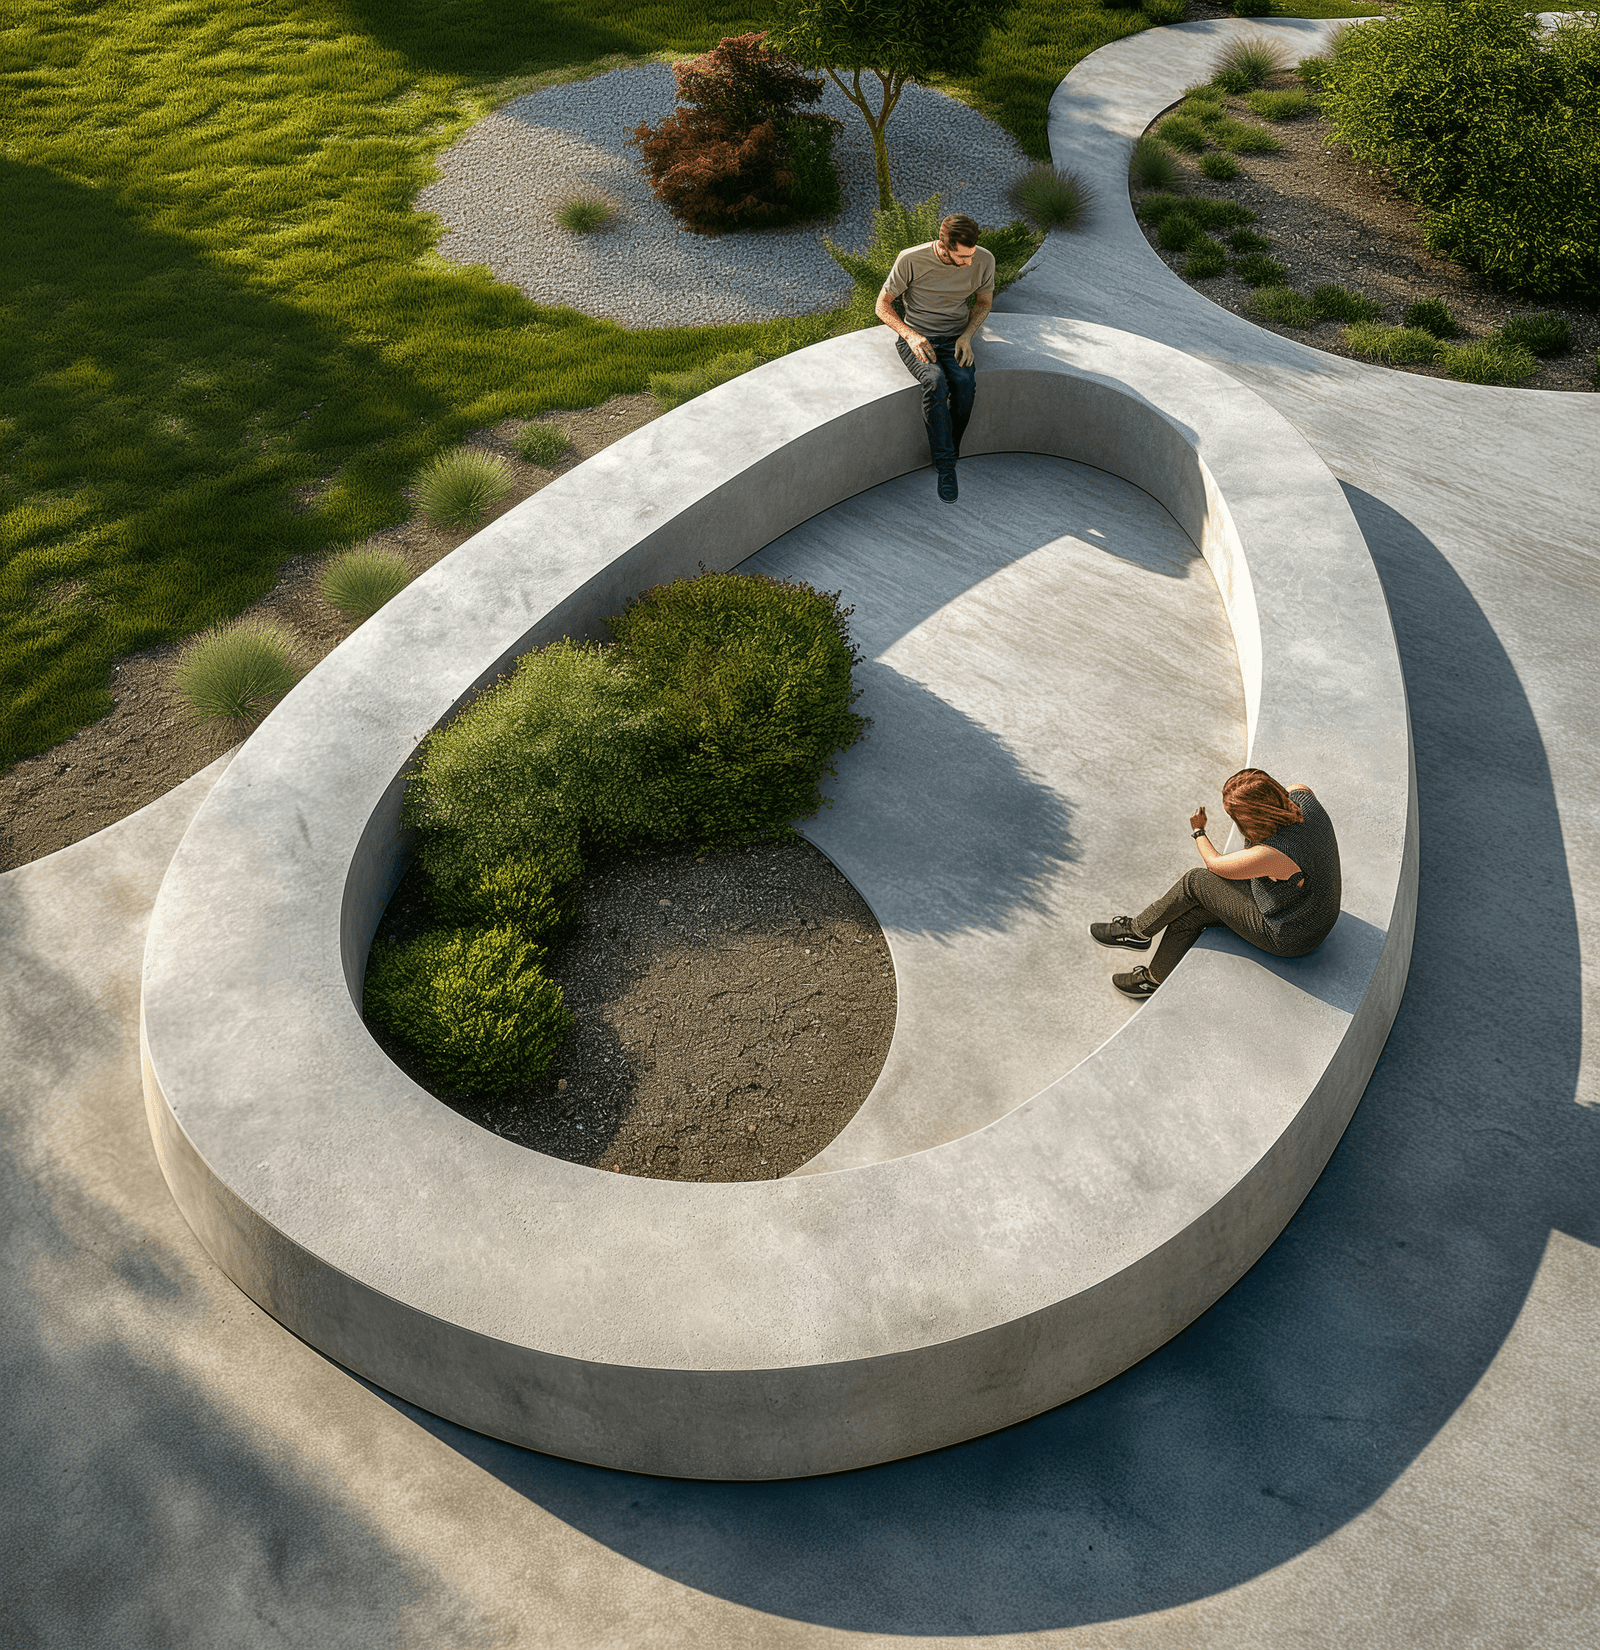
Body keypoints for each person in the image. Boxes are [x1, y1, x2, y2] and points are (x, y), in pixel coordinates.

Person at [1089, 769, 1342, 1001]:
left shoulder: (1273, 853)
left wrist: (1199, 831)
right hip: (1310, 907)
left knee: (1195, 882)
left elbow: (1215, 865)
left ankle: (1136, 932)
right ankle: (1154, 977)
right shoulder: (1301, 794)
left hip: (1294, 932)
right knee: (1190, 912)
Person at [875, 214, 995, 504]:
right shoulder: (911, 259)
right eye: (961, 256)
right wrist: (910, 335)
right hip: (919, 338)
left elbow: (983, 301)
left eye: (971, 254)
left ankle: (949, 450)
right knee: (935, 381)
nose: (969, 262)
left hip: (956, 338)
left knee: (965, 382)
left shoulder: (983, 259)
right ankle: (945, 466)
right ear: (943, 246)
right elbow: (882, 305)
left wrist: (967, 336)